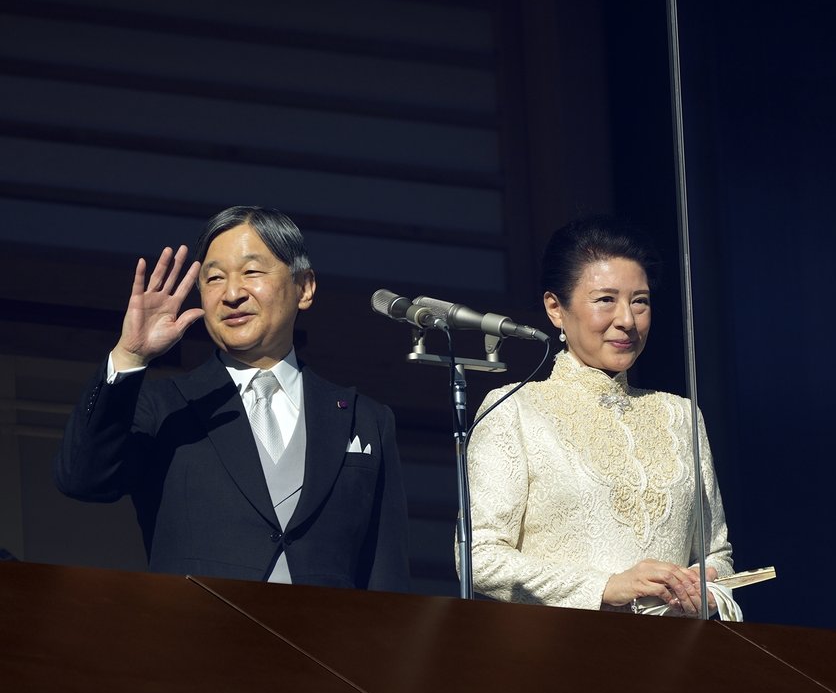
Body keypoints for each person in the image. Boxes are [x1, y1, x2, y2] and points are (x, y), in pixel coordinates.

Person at [54, 206, 411, 591]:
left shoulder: (365, 419)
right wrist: (129, 356)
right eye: (214, 278)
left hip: (325, 646)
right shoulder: (164, 404)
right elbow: (82, 480)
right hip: (198, 640)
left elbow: (385, 571)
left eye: (252, 272)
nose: (232, 294)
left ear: (304, 287)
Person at [465, 215, 736, 616]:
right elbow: (477, 557)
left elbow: (717, 553)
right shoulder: (514, 409)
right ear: (556, 308)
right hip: (559, 656)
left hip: (675, 659)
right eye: (605, 300)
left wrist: (707, 589)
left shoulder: (679, 415)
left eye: (640, 301)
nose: (626, 319)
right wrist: (607, 586)